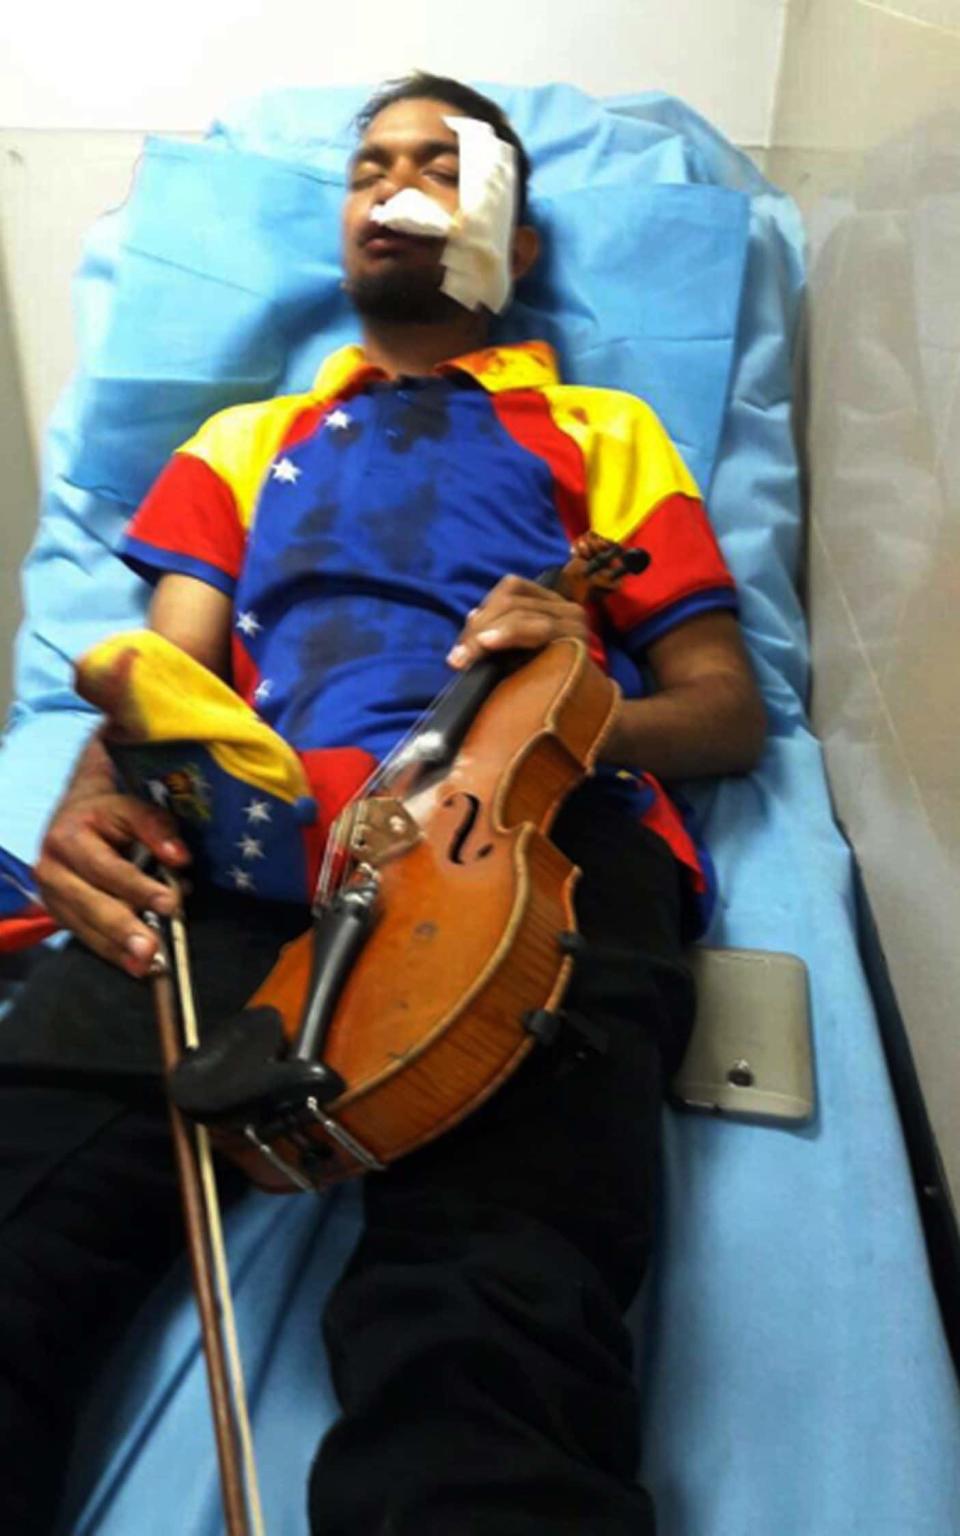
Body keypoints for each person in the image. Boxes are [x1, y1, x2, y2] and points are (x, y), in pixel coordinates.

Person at [0, 74, 765, 1535]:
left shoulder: (602, 431)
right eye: (369, 168)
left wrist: (561, 718)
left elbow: (723, 709)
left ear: (515, 244)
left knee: (488, 1324)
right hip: (246, 832)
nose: (395, 188)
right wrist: (91, 799)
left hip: (532, 840)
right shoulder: (243, 441)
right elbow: (163, 678)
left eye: (440, 163)